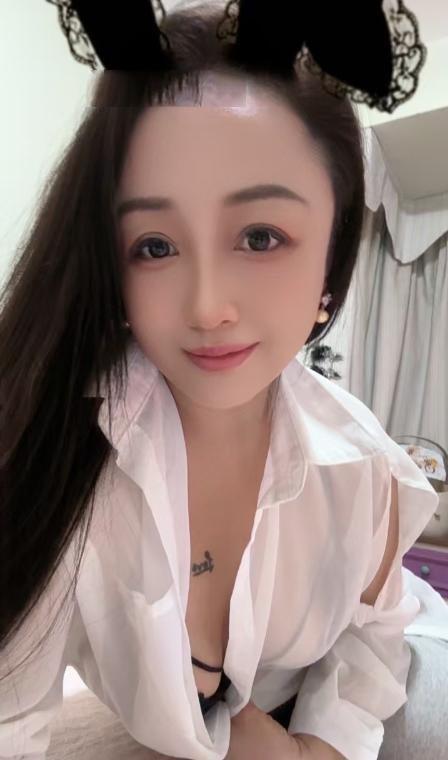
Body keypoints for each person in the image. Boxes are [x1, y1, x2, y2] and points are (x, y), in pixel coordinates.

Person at [0, 2, 441, 760]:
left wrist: (316, 748)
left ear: (331, 263)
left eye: (260, 236)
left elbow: (375, 639)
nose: (208, 308)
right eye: (154, 245)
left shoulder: (364, 469)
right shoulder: (56, 453)